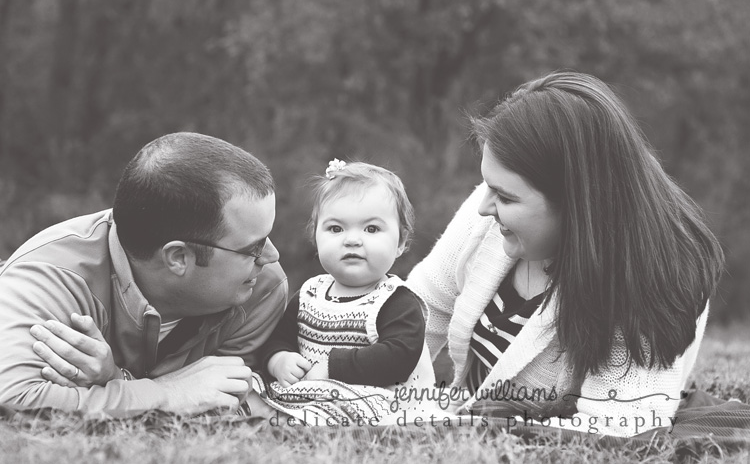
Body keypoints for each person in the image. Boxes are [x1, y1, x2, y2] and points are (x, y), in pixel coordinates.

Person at [406, 71, 724, 437]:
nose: (483, 206)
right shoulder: (492, 214)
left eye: (506, 197)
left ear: (576, 203)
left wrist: (459, 429)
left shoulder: (653, 279)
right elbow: (419, 314)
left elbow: (615, 432)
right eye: (489, 185)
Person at [0, 132, 287, 416]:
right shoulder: (51, 278)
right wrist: (164, 394)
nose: (272, 256)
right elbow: (12, 397)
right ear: (178, 257)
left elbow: (217, 412)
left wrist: (116, 381)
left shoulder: (262, 289)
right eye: (254, 247)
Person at [263, 160, 433, 394]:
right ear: (315, 236)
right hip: (310, 394)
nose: (352, 239)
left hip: (375, 400)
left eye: (371, 229)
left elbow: (399, 357)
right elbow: (278, 339)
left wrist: (332, 368)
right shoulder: (310, 294)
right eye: (336, 229)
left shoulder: (395, 301)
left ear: (400, 242)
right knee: (253, 386)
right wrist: (279, 359)